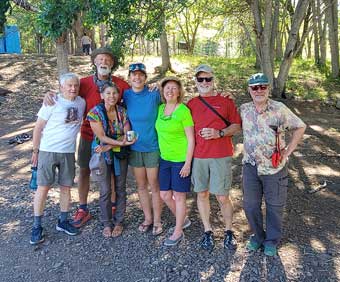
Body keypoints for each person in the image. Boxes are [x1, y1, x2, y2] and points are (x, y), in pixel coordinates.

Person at [44, 47, 130, 228]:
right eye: (100, 59)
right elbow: (67, 93)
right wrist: (50, 94)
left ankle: (113, 206)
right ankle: (83, 208)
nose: (104, 62)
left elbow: (135, 98)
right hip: (88, 135)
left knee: (113, 173)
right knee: (84, 170)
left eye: (107, 60)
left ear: (112, 63)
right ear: (94, 62)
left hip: (112, 138)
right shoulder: (83, 83)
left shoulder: (121, 85)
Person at [240, 73, 306, 256]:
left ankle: (272, 240)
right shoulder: (244, 109)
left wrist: (288, 151)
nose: (259, 90)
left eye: (263, 87)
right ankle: (258, 237)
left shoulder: (280, 109)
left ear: (268, 89)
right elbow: (231, 122)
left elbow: (300, 127)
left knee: (275, 206)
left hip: (274, 167)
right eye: (255, 87)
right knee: (251, 205)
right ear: (249, 90)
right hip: (250, 166)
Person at [187, 64, 241, 250]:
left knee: (222, 196)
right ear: (195, 81)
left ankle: (228, 231)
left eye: (208, 79)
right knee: (201, 193)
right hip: (199, 156)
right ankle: (207, 231)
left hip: (221, 155)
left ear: (213, 80)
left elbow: (236, 126)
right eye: (200, 79)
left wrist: (220, 133)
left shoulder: (225, 102)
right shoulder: (191, 104)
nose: (204, 82)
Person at [30, 73, 86, 245]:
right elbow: (38, 127)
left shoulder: (81, 103)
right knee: (43, 187)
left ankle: (63, 221)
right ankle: (37, 226)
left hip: (68, 152)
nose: (72, 88)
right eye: (69, 85)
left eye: (75, 85)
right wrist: (35, 151)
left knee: (66, 187)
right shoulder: (52, 101)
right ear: (61, 87)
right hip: (48, 150)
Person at [87, 82, 135, 237]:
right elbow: (101, 136)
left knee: (120, 188)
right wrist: (118, 143)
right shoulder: (95, 113)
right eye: (108, 93)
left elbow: (127, 134)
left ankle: (119, 221)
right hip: (102, 155)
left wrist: (110, 145)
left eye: (114, 93)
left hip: (118, 153)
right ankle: (106, 222)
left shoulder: (122, 112)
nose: (111, 96)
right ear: (102, 95)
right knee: (105, 189)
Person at [123, 63, 163, 236]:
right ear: (129, 77)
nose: (137, 78)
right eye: (134, 75)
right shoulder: (125, 95)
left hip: (153, 146)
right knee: (140, 185)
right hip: (135, 147)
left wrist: (160, 85)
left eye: (140, 75)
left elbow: (173, 100)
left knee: (154, 184)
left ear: (145, 78)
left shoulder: (154, 94)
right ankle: (147, 218)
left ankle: (158, 220)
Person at [155, 77, 194, 246]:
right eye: (167, 88)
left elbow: (191, 139)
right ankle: (183, 219)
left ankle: (178, 231)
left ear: (179, 92)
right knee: (164, 194)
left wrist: (187, 163)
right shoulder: (161, 108)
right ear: (163, 92)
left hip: (180, 160)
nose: (170, 91)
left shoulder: (183, 111)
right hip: (165, 159)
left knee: (179, 196)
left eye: (173, 88)